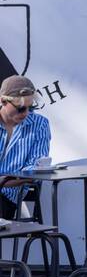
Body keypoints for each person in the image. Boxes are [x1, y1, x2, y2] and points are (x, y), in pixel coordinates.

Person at [0, 76, 50, 220]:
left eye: (31, 107)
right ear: (3, 101)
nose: (26, 113)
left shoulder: (39, 124)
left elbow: (35, 169)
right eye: (21, 108)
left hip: (9, 195)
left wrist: (4, 181)